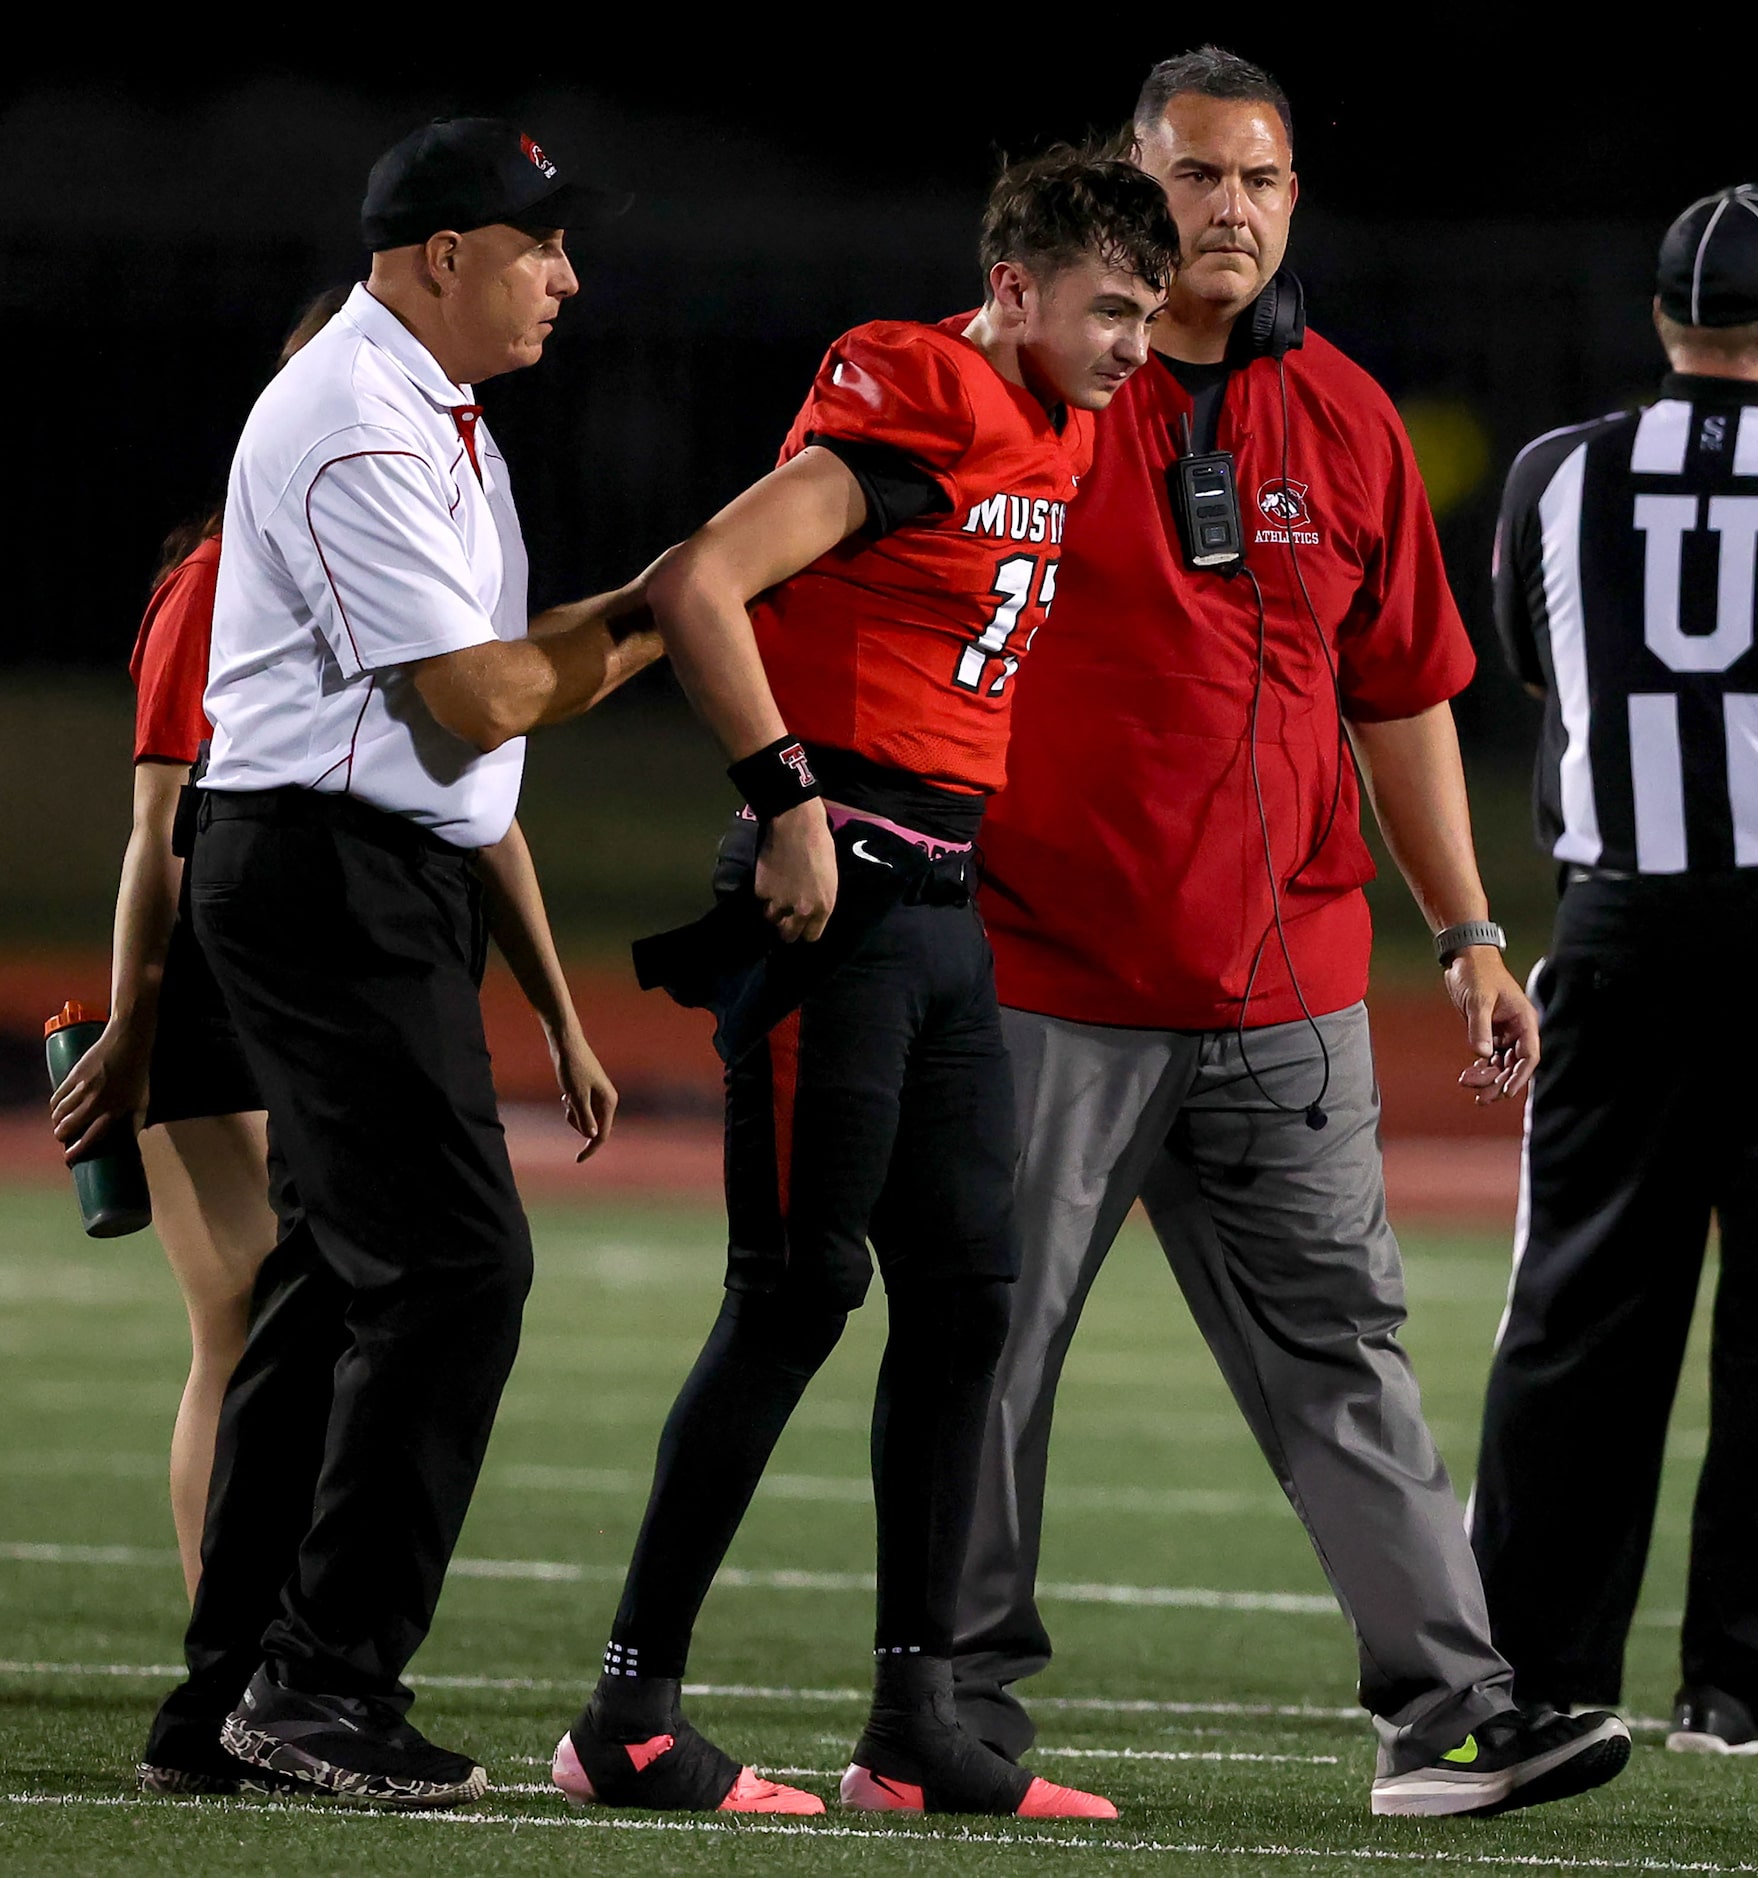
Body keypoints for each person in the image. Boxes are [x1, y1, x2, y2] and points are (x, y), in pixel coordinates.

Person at [949, 48, 1630, 1819]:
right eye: (1194, 179)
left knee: (1347, 1353)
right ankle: (947, 1713)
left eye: (1257, 180)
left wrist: (1470, 926)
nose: (1227, 210)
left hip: (1291, 989)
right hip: (1048, 977)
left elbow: (1402, 695)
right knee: (992, 1352)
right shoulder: (1012, 388)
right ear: (1130, 181)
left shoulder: (1347, 414)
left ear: (1292, 199)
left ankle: (1452, 1710)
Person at [547, 147, 1177, 1823]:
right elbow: (700, 581)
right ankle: (626, 1714)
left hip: (941, 909)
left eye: (1149, 311)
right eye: (1111, 309)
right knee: (796, 1290)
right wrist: (785, 798)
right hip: (837, 908)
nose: (1133, 344)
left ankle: (917, 1725)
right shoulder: (930, 390)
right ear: (1020, 287)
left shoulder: (1071, 421)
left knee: (971, 1293)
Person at [135, 117, 661, 1809]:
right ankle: (325, 1682)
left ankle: (227, 1694)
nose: (565, 276)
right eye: (540, 245)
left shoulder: (428, 412)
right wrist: (677, 614)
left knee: (339, 1280)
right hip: (322, 876)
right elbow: (479, 698)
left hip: (356, 873)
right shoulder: (361, 419)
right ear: (445, 252)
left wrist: (643, 604)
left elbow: (488, 687)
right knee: (453, 1272)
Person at [49, 284, 626, 1606]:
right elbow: (160, 829)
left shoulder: (415, 571)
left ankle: (264, 1636)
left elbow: (482, 807)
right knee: (248, 1311)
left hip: (321, 969)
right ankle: (230, 1627)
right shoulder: (217, 580)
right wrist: (136, 1023)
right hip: (219, 977)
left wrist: (560, 1011)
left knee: (333, 1296)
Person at [1469, 184, 1758, 1755]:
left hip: (1626, 921)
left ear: (1665, 318)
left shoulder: (1559, 469)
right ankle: (1744, 1678)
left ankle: (1529, 1669)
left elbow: (1535, 659)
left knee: (1583, 1305)